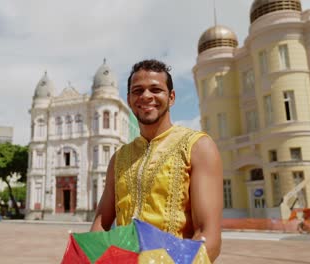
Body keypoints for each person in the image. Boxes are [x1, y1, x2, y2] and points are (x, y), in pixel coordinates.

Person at [90, 59, 223, 262]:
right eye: (137, 91)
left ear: (171, 97)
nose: (146, 96)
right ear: (129, 99)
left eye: (155, 89)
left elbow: (208, 235)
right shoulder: (119, 158)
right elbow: (101, 223)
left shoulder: (198, 147)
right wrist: (94, 256)